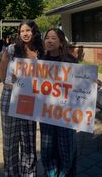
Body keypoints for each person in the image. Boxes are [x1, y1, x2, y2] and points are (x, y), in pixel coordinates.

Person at [0, 20, 44, 177]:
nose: (25, 33)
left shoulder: (40, 51)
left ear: (34, 32)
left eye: (28, 30)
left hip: (31, 99)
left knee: (28, 139)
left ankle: (29, 172)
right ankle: (11, 173)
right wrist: (7, 84)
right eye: (22, 31)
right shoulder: (11, 49)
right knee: (10, 140)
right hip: (10, 97)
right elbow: (1, 70)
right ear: (19, 34)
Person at [40, 28, 78, 177]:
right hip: (46, 113)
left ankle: (65, 174)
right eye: (47, 38)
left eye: (53, 38)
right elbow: (32, 85)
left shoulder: (70, 61)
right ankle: (50, 174)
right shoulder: (40, 62)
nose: (49, 40)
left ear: (61, 42)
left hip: (65, 115)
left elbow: (80, 85)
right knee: (47, 149)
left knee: (66, 149)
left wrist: (92, 83)